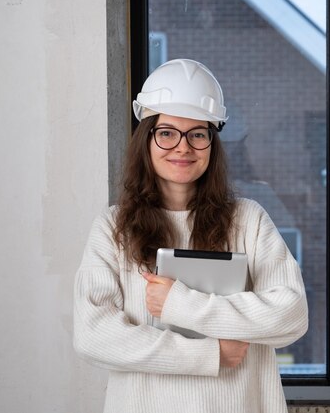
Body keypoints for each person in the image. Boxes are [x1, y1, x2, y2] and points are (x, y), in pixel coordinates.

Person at [73, 58, 308, 413]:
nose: (183, 147)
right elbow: (94, 336)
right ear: (146, 140)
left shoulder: (248, 220)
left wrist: (179, 304)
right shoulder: (112, 227)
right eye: (167, 132)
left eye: (197, 134)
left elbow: (291, 316)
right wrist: (208, 354)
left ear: (212, 144)